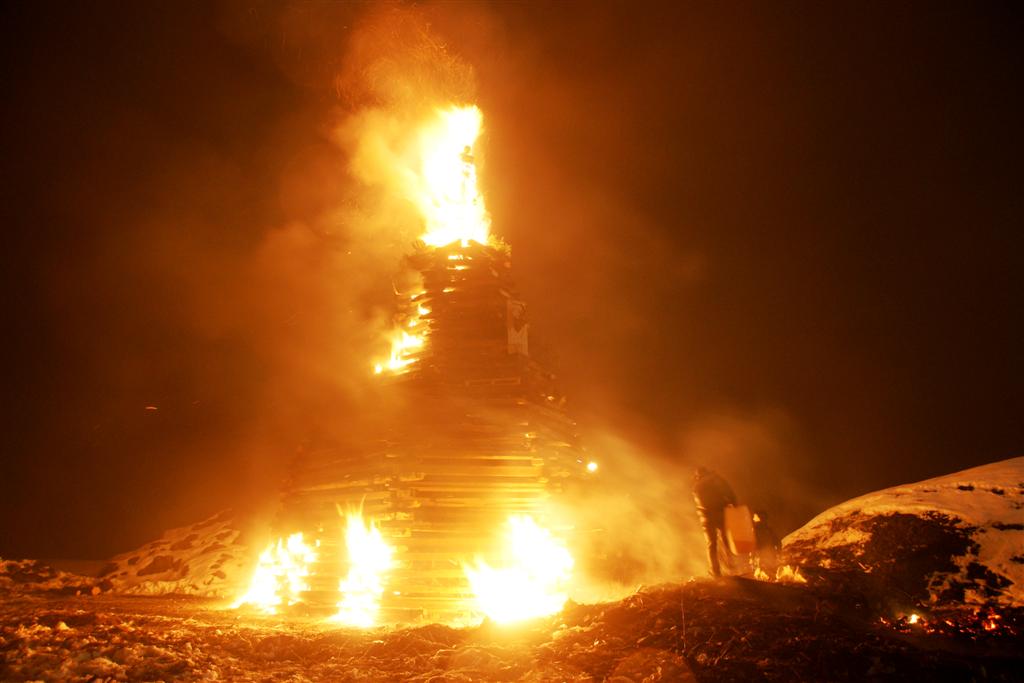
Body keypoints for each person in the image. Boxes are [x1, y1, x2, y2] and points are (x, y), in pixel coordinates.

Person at [692, 466, 738, 577]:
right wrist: (733, 503)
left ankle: (716, 571)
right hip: (720, 513)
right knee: (726, 540)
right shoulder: (716, 480)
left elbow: (700, 503)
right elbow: (729, 492)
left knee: (712, 544)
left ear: (698, 476)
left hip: (706, 517)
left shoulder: (696, 486)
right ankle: (731, 567)